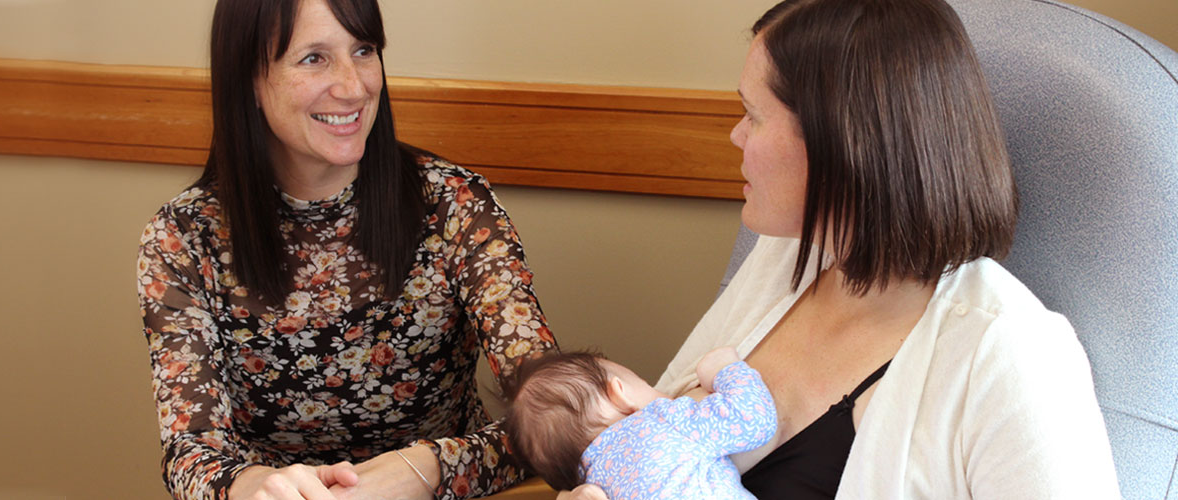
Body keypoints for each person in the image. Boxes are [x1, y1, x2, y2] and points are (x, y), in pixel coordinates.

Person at [564, 0, 1120, 498]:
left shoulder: (1011, 354)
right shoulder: (783, 257)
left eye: (754, 115)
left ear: (843, 142)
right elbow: (654, 433)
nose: (735, 136)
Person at [136, 0, 557, 498]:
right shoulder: (182, 237)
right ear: (248, 76)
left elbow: (550, 410)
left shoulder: (454, 204)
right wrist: (258, 488)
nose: (354, 86)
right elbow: (191, 451)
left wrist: (421, 470)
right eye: (314, 58)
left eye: (363, 50)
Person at [505, 347, 776, 499]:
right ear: (620, 394)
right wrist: (725, 369)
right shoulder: (662, 421)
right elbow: (753, 420)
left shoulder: (595, 490)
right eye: (646, 384)